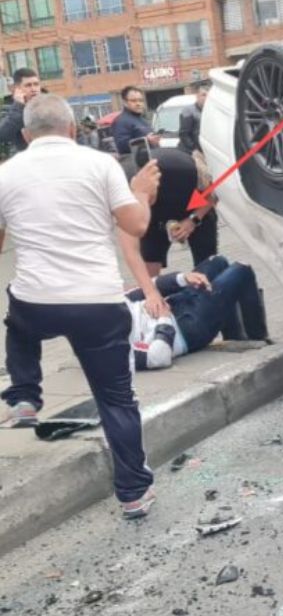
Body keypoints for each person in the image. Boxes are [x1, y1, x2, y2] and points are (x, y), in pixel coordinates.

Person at [0, 94, 164, 519]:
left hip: (36, 302)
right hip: (97, 304)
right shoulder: (100, 164)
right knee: (116, 401)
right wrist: (140, 193)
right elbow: (136, 225)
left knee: (17, 322)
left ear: (25, 135)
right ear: (73, 129)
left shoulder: (6, 173)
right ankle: (133, 494)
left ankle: (25, 396)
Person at [126, 256, 268, 371]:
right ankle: (258, 338)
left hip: (176, 301)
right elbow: (158, 357)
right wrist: (164, 318)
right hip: (186, 328)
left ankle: (235, 337)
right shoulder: (114, 351)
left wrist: (183, 278)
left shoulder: (112, 301)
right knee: (243, 270)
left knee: (218, 262)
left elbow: (143, 290)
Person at [124, 145, 217, 276]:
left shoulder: (182, 171)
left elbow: (212, 195)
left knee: (207, 266)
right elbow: (131, 249)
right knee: (149, 266)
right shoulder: (123, 194)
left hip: (192, 205)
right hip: (154, 217)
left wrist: (192, 221)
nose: (145, 202)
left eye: (147, 199)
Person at [0, 68, 42, 153]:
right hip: (24, 156)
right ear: (17, 88)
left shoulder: (49, 104)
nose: (34, 89)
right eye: (28, 85)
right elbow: (2, 134)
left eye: (36, 84)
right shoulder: (9, 109)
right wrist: (19, 106)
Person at [112, 86, 160, 155]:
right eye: (133, 101)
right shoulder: (121, 121)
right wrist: (146, 141)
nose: (138, 104)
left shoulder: (142, 120)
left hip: (152, 157)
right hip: (136, 161)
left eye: (141, 100)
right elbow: (122, 146)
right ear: (125, 102)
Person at [178, 84, 207, 155]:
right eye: (203, 95)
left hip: (206, 151)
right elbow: (184, 134)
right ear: (197, 96)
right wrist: (193, 149)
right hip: (191, 152)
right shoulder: (188, 110)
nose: (206, 98)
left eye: (208, 95)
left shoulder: (211, 111)